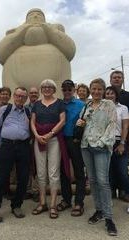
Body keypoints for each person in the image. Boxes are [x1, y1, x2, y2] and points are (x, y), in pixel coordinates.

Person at [0, 8, 76, 96]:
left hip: (56, 79)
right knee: (15, 104)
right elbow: (1, 55)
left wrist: (49, 30)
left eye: (39, 14)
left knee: (55, 104)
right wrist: (21, 32)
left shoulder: (54, 29)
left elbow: (70, 51)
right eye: (31, 15)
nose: (35, 16)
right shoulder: (16, 31)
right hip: (15, 79)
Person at [76, 78, 117, 236]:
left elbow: (112, 125)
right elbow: (82, 123)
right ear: (90, 90)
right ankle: (99, 210)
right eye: (94, 89)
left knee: (103, 181)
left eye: (99, 89)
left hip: (100, 147)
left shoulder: (109, 105)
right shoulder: (86, 105)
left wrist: (101, 142)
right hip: (85, 146)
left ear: (103, 90)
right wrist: (80, 123)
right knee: (92, 180)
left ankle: (109, 218)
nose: (96, 92)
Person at [0, 87, 31, 222]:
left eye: (23, 97)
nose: (20, 98)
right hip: (7, 146)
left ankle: (16, 205)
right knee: (1, 178)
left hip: (23, 147)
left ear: (26, 99)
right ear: (14, 96)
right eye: (18, 96)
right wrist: (0, 144)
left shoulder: (28, 111)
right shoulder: (4, 109)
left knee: (23, 178)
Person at [31, 79, 69, 219]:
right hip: (39, 139)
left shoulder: (59, 103)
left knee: (53, 172)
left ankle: (53, 204)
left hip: (54, 139)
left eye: (50, 87)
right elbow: (32, 122)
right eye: (44, 87)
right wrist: (36, 135)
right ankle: (42, 202)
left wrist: (50, 133)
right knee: (41, 173)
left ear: (54, 89)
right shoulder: (36, 104)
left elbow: (62, 121)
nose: (47, 89)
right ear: (41, 89)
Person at [104, 86, 129, 214]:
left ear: (116, 95)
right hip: (105, 142)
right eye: (107, 93)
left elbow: (125, 127)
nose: (109, 95)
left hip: (119, 141)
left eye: (112, 93)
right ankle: (109, 198)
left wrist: (122, 143)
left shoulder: (123, 108)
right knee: (109, 171)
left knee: (122, 171)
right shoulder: (102, 108)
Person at [57, 80, 86, 216]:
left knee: (79, 171)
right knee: (64, 171)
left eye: (70, 89)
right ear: (62, 90)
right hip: (61, 140)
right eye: (65, 89)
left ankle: (79, 202)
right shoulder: (58, 104)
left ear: (74, 90)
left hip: (76, 141)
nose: (67, 92)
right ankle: (66, 199)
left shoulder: (81, 104)